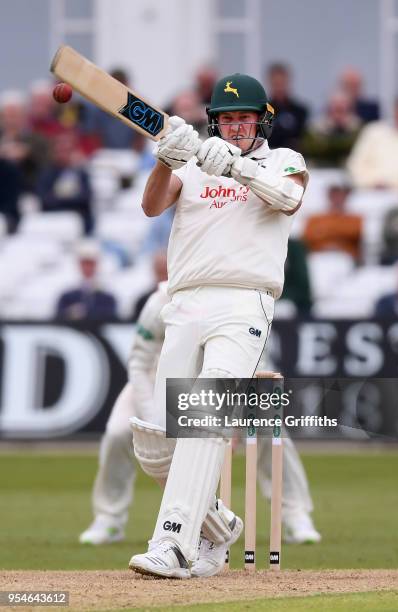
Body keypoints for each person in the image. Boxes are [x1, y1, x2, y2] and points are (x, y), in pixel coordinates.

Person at [128, 72, 309, 578]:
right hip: (184, 302)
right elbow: (151, 205)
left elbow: (289, 199)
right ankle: (218, 525)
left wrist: (237, 169)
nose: (233, 127)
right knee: (159, 441)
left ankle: (173, 544)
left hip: (244, 302)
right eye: (225, 119)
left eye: (243, 118)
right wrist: (167, 157)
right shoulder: (194, 162)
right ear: (214, 121)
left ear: (262, 121)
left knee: (204, 417)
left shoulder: (283, 161)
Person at [79, 284, 320, 549]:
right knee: (118, 432)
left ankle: (295, 514)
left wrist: (237, 423)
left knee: (270, 429)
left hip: (220, 384)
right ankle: (109, 518)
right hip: (155, 380)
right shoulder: (160, 299)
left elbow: (252, 368)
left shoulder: (242, 302)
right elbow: (138, 363)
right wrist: (157, 418)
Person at [346, 96, 398, 191]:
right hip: (369, 193)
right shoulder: (373, 131)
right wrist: (372, 183)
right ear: (396, 111)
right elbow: (354, 165)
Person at [37, 131, 93, 234]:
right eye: (59, 150)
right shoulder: (46, 174)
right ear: (53, 152)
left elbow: (85, 198)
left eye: (66, 150)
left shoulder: (81, 173)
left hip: (79, 221)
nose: (63, 154)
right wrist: (70, 198)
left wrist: (59, 197)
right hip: (52, 221)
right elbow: (44, 199)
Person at [56, 240, 117, 321]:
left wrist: (85, 311)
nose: (88, 267)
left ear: (96, 265)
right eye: (85, 263)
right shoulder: (67, 296)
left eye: (91, 263)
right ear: (79, 265)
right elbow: (59, 315)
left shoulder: (107, 298)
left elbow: (110, 314)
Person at [303, 182, 362, 260]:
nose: (337, 199)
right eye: (334, 195)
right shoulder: (315, 219)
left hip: (346, 257)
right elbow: (307, 238)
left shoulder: (355, 219)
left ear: (345, 197)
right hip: (319, 256)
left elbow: (355, 234)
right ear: (329, 197)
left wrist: (324, 233)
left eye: (340, 196)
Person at [302, 91, 362, 166]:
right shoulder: (315, 128)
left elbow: (358, 149)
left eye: (342, 110)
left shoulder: (358, 128)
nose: (339, 115)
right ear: (328, 109)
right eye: (336, 110)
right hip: (321, 168)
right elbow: (312, 149)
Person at [266, 63, 309, 151]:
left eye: (282, 83)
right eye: (276, 83)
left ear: (288, 82)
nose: (279, 87)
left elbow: (303, 139)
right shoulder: (263, 111)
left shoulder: (300, 111)